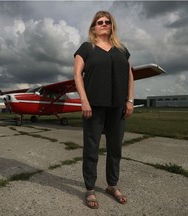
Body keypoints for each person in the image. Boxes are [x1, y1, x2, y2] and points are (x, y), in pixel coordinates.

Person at [74, 11, 134, 209]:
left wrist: (130, 101)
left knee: (115, 148)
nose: (104, 24)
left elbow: (130, 75)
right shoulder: (86, 48)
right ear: (93, 27)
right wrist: (84, 100)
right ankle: (90, 189)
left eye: (107, 22)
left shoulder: (122, 50)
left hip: (118, 107)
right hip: (94, 106)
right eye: (99, 22)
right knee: (91, 148)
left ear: (112, 25)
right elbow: (77, 75)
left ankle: (112, 185)